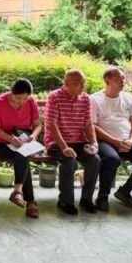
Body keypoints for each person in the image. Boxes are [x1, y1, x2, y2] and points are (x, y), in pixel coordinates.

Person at [90, 67, 132, 212]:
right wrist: (114, 141)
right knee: (111, 159)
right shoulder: (95, 99)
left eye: (123, 78)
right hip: (105, 141)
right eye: (118, 79)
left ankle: (125, 191)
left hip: (128, 140)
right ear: (107, 80)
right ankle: (102, 196)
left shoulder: (129, 98)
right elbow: (92, 126)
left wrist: (131, 141)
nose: (122, 81)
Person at [45, 69, 101, 215]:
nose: (82, 87)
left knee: (95, 159)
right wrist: (64, 147)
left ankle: (86, 199)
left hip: (78, 141)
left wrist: (94, 143)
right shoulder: (54, 97)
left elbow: (88, 124)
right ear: (66, 83)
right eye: (78, 84)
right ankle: (65, 201)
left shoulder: (85, 98)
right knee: (69, 160)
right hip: (56, 142)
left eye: (83, 83)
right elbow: (52, 124)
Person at [0, 78, 42, 219]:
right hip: (1, 143)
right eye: (18, 98)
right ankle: (30, 202)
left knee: (23, 155)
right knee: (24, 157)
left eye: (25, 98)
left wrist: (33, 136)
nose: (22, 102)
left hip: (24, 141)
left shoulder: (31, 102)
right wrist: (11, 139)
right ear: (11, 93)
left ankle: (18, 192)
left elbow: (38, 125)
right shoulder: (0, 102)